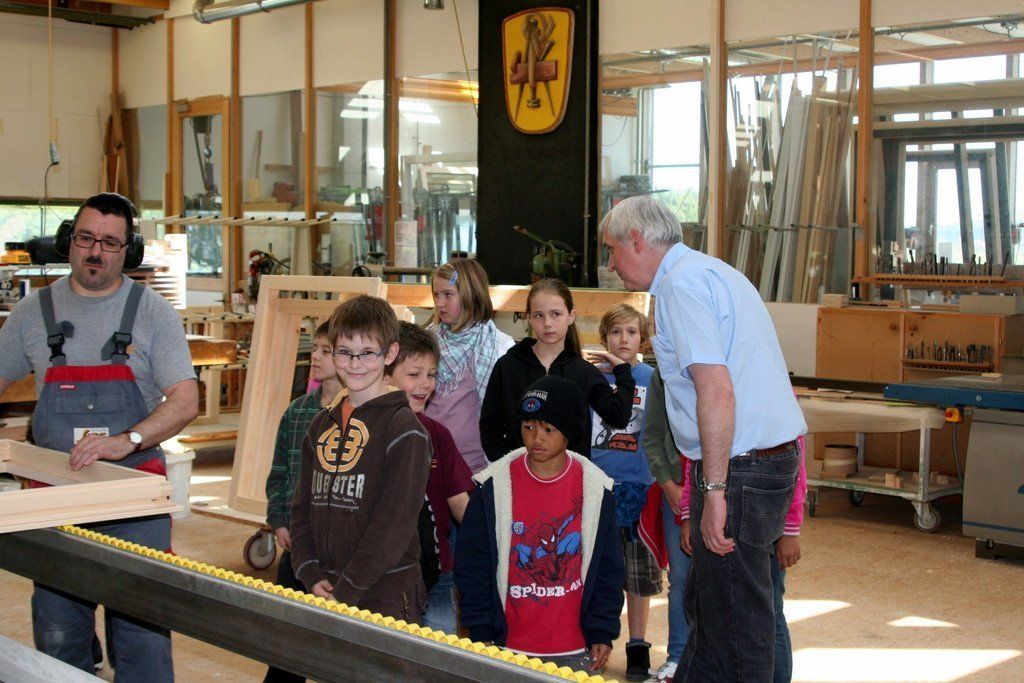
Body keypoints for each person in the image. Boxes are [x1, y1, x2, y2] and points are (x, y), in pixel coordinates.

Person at [601, 195, 807, 681]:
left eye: (612, 250)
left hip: (742, 466)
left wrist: (713, 492)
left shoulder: (680, 286)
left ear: (636, 239)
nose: (610, 265)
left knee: (736, 618)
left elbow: (716, 390)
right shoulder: (712, 271)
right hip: (756, 461)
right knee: (713, 606)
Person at [0, 192, 199, 679]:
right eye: (86, 238)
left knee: (142, 637)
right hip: (55, 496)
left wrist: (126, 440)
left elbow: (186, 400)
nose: (95, 252)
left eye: (110, 243)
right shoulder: (32, 312)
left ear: (128, 250)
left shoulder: (153, 312)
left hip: (134, 496)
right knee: (58, 634)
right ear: (68, 239)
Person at [455, 375, 625, 672]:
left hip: (573, 647)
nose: (536, 438)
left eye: (548, 429)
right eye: (528, 427)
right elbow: (472, 565)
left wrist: (601, 629)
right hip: (506, 647)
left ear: (569, 431)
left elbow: (609, 568)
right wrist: (481, 629)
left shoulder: (597, 490)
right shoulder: (492, 488)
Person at [288, 295, 432, 621]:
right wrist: (308, 570)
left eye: (367, 353)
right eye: (344, 352)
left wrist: (348, 588)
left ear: (390, 354)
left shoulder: (405, 431)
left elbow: (393, 525)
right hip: (325, 586)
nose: (355, 364)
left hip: (384, 594)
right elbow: (301, 506)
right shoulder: (320, 425)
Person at [678, 439, 808, 683]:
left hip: (767, 520)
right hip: (720, 512)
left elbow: (796, 463)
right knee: (710, 606)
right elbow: (694, 461)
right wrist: (688, 512)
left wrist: (791, 528)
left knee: (767, 612)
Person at [263, 321, 343, 683]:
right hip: (297, 544)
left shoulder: (359, 416)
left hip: (337, 551)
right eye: (315, 350)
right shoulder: (296, 412)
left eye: (326, 351)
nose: (316, 357)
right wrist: (278, 519)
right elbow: (279, 472)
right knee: (287, 640)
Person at [479, 278, 635, 461]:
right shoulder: (507, 366)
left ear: (571, 316)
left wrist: (623, 372)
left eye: (556, 314)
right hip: (518, 473)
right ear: (529, 318)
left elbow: (618, 418)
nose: (547, 323)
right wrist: (510, 464)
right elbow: (490, 427)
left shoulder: (583, 371)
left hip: (571, 475)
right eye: (539, 315)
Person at [586, 304, 661, 681]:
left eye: (631, 332)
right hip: (596, 485)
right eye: (616, 332)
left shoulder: (651, 378)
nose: (624, 339)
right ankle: (594, 638)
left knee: (637, 575)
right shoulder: (592, 378)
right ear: (605, 338)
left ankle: (637, 646)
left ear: (642, 338)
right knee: (595, 570)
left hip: (638, 489)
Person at [384, 321, 474, 634]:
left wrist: (496, 538)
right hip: (387, 577)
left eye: (431, 374)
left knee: (439, 650)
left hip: (437, 572)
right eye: (414, 374)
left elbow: (460, 502)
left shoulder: (438, 434)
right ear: (385, 374)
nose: (425, 384)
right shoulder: (370, 433)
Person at [425, 258, 514, 473]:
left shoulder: (500, 346)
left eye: (448, 294)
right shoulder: (427, 341)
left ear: (471, 295)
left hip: (475, 465)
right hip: (429, 458)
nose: (440, 303)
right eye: (436, 295)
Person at [641, 368, 691, 683]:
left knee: (717, 581)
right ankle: (677, 657)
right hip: (676, 489)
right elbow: (652, 435)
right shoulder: (663, 374)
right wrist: (668, 484)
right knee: (681, 579)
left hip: (720, 492)